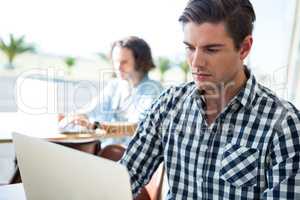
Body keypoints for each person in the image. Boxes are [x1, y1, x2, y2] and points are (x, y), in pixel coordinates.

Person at [120, 0, 300, 199]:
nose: (196, 62)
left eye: (211, 49)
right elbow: (124, 178)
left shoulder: (284, 124)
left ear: (244, 48)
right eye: (189, 47)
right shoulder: (168, 105)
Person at [60, 36, 163, 145]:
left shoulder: (152, 90)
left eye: (124, 62)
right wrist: (73, 118)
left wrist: (95, 126)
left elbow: (136, 127)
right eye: (116, 61)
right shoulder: (115, 85)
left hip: (129, 156)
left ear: (140, 62)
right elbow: (90, 109)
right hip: (107, 151)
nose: (118, 67)